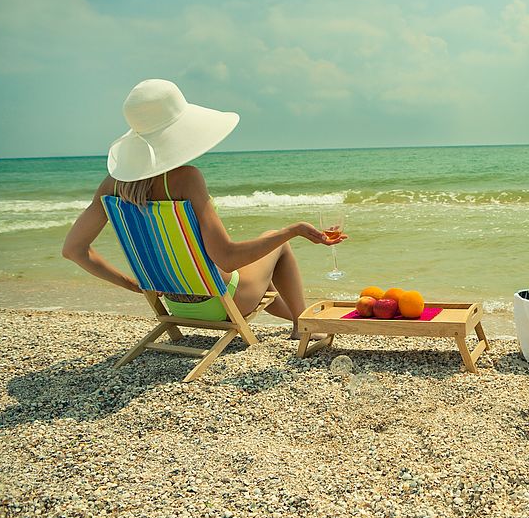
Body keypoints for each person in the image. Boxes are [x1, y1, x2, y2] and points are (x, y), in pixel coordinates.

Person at [62, 78, 345, 337]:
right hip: (222, 302)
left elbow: (73, 250)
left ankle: (304, 321)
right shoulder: (186, 179)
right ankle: (303, 326)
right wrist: (292, 230)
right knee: (276, 243)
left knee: (263, 274)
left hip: (176, 306)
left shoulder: (112, 186)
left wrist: (135, 284)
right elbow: (227, 258)